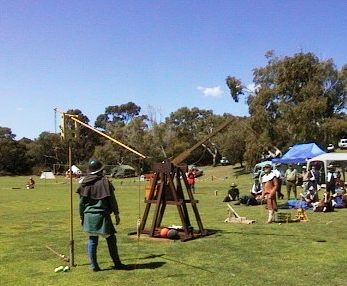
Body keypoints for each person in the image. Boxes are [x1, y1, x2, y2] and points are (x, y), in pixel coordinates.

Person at [76, 159, 127, 272]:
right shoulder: (105, 182)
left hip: (89, 216)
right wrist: (116, 214)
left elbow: (81, 204)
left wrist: (81, 217)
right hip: (102, 216)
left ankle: (94, 266)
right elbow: (112, 200)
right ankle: (117, 263)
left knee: (92, 240)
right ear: (100, 170)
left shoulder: (84, 183)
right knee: (111, 239)